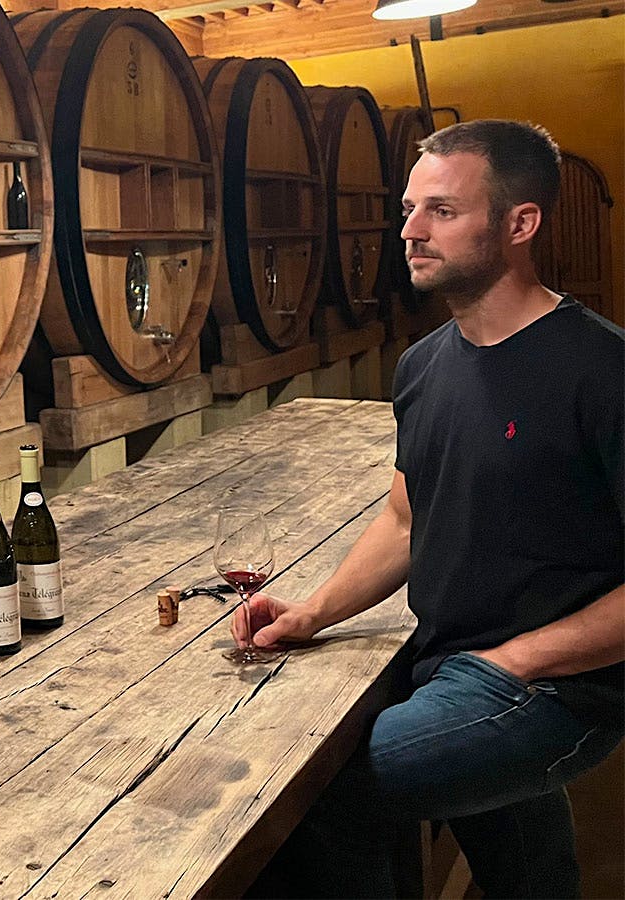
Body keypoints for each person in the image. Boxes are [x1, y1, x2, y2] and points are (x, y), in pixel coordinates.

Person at [237, 119, 623, 897]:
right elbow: (406, 522)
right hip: (455, 664)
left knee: (319, 801)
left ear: (520, 223)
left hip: (559, 688)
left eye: (442, 211)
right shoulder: (423, 367)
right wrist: (313, 612)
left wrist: (517, 660)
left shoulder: (602, 369)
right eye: (410, 209)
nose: (410, 230)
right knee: (527, 876)